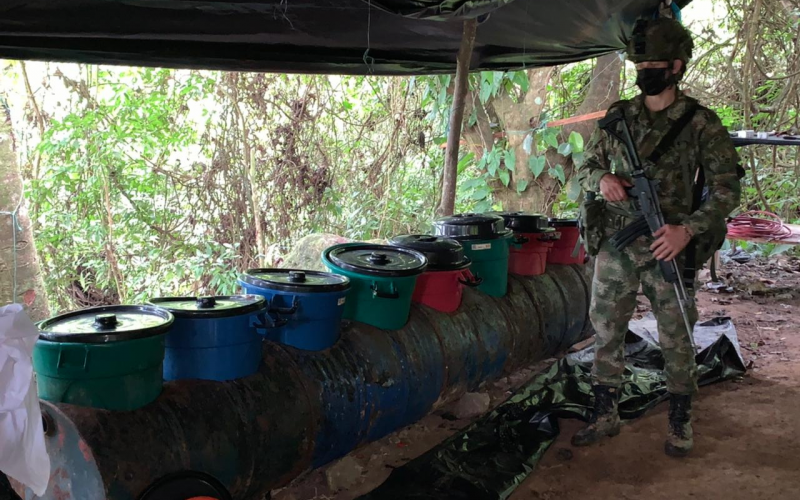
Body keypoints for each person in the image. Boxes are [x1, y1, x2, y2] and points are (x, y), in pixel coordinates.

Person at [573, 16, 742, 457]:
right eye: (640, 65)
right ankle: (605, 411)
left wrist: (687, 229)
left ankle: (680, 417)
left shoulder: (700, 123)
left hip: (669, 242)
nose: (645, 72)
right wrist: (603, 180)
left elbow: (727, 189)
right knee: (606, 329)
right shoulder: (618, 118)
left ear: (677, 67)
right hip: (618, 242)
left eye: (655, 64)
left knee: (676, 334)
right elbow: (585, 167)